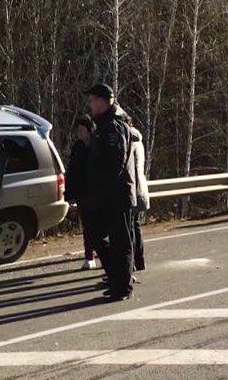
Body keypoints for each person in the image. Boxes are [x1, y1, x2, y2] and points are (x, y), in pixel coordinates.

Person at [86, 83, 136, 302]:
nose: (90, 104)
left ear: (104, 101)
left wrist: (101, 187)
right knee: (102, 238)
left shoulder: (113, 127)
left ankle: (122, 286)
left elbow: (115, 163)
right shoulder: (103, 126)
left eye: (93, 100)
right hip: (106, 195)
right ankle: (117, 281)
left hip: (116, 195)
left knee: (120, 241)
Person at [65, 115, 97, 270]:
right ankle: (89, 256)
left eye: (82, 129)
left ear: (90, 130)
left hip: (97, 192)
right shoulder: (77, 147)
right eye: (78, 130)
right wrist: (69, 194)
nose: (79, 133)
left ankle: (103, 254)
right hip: (83, 193)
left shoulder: (97, 146)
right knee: (88, 225)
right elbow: (71, 171)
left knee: (100, 226)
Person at [128, 123, 149, 272]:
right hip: (140, 188)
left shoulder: (130, 142)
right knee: (135, 225)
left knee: (130, 227)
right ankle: (139, 260)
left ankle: (133, 263)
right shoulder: (138, 142)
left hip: (133, 190)